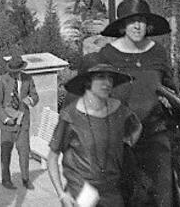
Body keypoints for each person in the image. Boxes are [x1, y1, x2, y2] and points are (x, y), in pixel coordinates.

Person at [97, 0, 180, 206]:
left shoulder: (158, 51)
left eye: (142, 21)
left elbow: (171, 90)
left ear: (149, 25)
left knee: (162, 197)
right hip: (121, 142)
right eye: (131, 21)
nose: (137, 26)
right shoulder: (107, 55)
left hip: (156, 138)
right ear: (122, 26)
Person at [46, 55, 141, 206]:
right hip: (81, 193)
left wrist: (121, 146)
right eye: (100, 77)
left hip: (112, 193)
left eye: (110, 77)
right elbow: (52, 156)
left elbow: (135, 128)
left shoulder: (121, 111)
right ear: (87, 82)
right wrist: (61, 194)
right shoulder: (70, 116)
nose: (107, 83)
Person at [0, 54, 38, 190]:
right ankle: (6, 180)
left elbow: (35, 95)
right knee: (6, 153)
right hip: (7, 124)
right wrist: (6, 118)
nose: (15, 74)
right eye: (12, 71)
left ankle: (25, 179)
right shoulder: (2, 81)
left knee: (24, 151)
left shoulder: (28, 79)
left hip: (23, 121)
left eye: (16, 71)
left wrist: (30, 100)